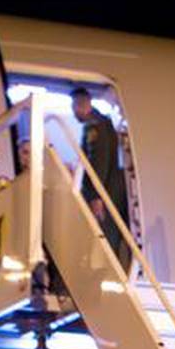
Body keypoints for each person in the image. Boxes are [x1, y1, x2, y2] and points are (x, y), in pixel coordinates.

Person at [70, 87, 129, 263]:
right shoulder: (103, 123)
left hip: (106, 193)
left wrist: (96, 196)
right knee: (110, 239)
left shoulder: (95, 126)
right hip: (111, 191)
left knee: (107, 240)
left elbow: (99, 162)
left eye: (75, 107)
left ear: (83, 104)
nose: (74, 112)